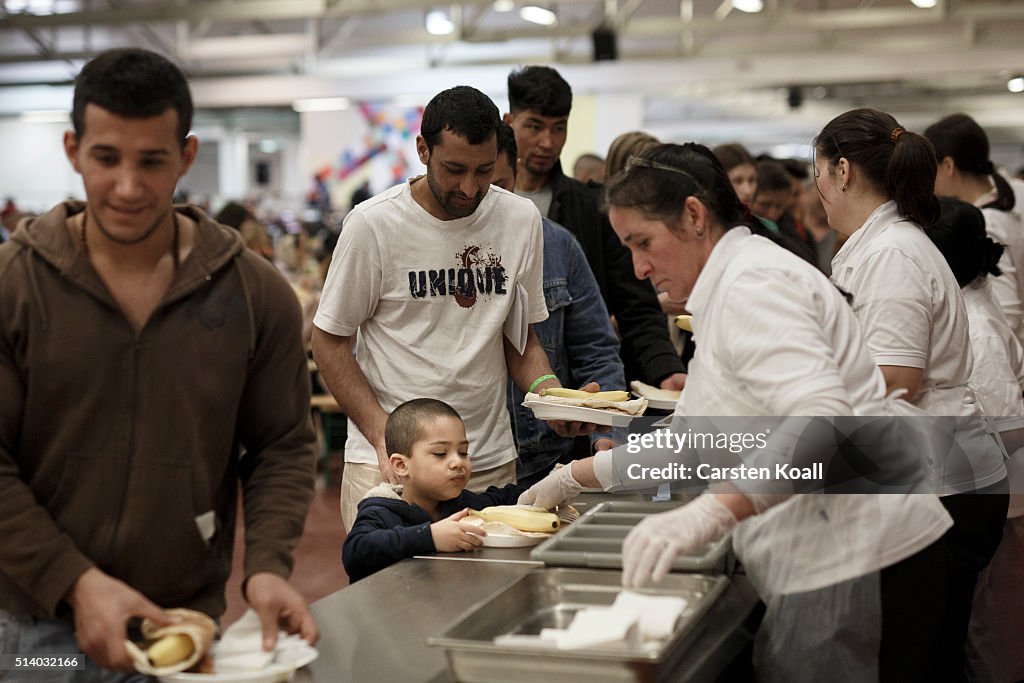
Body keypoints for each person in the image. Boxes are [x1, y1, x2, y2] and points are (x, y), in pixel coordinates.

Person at [519, 142, 952, 681]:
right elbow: (700, 439)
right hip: (837, 540)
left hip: (860, 551)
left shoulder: (752, 285)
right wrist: (576, 477)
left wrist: (713, 511)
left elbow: (823, 425)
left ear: (694, 217)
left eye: (643, 243)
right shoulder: (731, 284)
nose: (639, 266)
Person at [0, 48, 318, 678]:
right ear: (72, 149)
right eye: (105, 158)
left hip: (182, 628)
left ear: (187, 156)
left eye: (152, 161)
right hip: (34, 633)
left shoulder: (254, 296)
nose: (127, 186)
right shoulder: (13, 286)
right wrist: (76, 583)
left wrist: (266, 567)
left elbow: (281, 446)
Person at [312, 85, 596, 530]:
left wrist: (551, 397)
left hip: (485, 462)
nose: (470, 187)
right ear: (423, 150)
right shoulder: (373, 225)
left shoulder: (519, 221)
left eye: (484, 171)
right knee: (391, 596)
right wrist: (382, 434)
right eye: (454, 169)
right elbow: (328, 342)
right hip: (391, 465)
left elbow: (520, 340)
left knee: (487, 594)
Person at [815, 107, 1008, 680]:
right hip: (931, 472)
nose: (817, 188)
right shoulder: (880, 244)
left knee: (916, 658)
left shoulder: (894, 253)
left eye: (819, 171)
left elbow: (898, 380)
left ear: (843, 171)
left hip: (943, 484)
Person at [504, 66, 686, 391]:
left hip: (578, 394)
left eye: (558, 129)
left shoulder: (593, 209)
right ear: (509, 122)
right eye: (534, 126)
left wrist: (664, 368)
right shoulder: (482, 207)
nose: (547, 141)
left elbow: (637, 307)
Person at [925, 198, 1024, 682]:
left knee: (991, 630)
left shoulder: (976, 329)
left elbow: (1008, 429)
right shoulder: (969, 302)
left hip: (1006, 501)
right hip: (992, 492)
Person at [491, 123, 623, 485]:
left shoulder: (557, 245)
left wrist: (604, 433)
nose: (480, 197)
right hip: (452, 460)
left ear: (516, 174)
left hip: (542, 461)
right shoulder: (430, 249)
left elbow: (597, 350)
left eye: (498, 187)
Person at [342, 399, 526, 582]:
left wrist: (545, 487)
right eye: (440, 453)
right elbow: (356, 552)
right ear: (400, 465)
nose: (458, 462)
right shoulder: (381, 511)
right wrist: (429, 537)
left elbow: (503, 498)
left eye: (463, 452)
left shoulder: (462, 503)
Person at [924, 112, 1024, 344]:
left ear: (948, 165)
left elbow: (1007, 314)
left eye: (932, 169)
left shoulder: (986, 223)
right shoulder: (1017, 191)